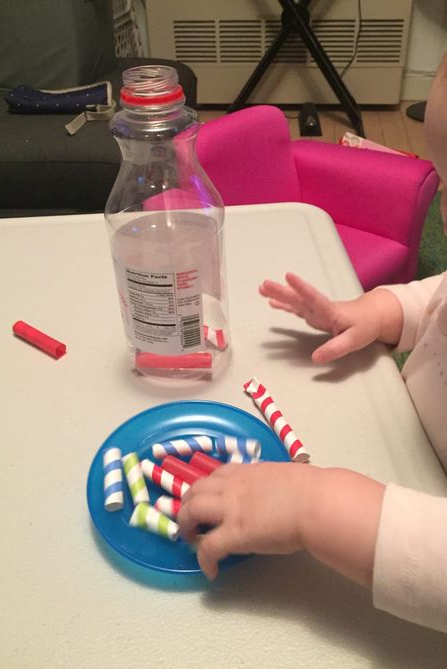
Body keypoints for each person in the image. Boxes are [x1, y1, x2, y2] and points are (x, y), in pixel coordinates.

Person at [178, 53, 447, 633]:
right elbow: (440, 295)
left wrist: (314, 508)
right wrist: (378, 311)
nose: (445, 215)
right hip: (402, 446)